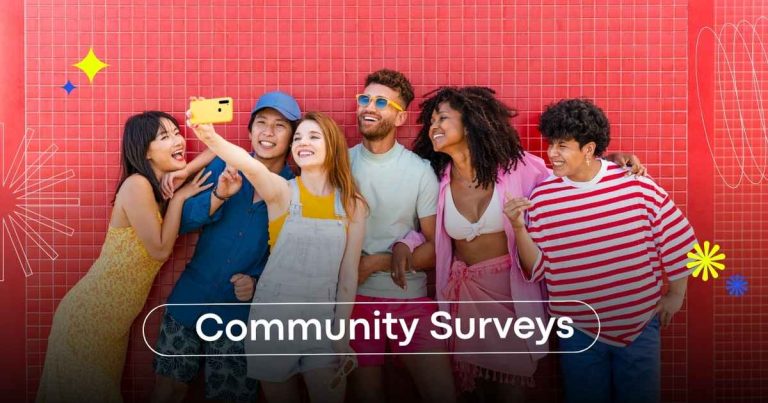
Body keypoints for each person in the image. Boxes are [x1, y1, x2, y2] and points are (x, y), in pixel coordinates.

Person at [411, 87, 646, 401]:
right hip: (464, 297)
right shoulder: (436, 175)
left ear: (470, 124)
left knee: (512, 392)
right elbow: (420, 225)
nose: (433, 126)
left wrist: (609, 163)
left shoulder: (518, 168)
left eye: (443, 118)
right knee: (474, 392)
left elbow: (569, 180)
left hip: (512, 296)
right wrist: (404, 243)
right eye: (432, 120)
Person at [507, 98, 696, 403]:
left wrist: (676, 294)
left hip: (638, 325)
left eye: (562, 145)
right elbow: (538, 268)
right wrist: (518, 227)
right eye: (550, 143)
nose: (551, 153)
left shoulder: (635, 185)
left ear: (589, 149)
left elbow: (677, 238)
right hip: (578, 331)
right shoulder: (542, 198)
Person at [189, 109, 367, 403]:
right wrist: (209, 136)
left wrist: (341, 334)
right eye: (298, 137)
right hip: (273, 321)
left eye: (313, 136)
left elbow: (348, 275)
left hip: (322, 322)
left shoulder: (352, 204)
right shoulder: (282, 192)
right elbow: (250, 165)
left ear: (332, 145)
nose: (302, 142)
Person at [36, 112, 211, 403]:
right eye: (164, 136)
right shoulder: (137, 185)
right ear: (145, 152)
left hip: (112, 326)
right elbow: (158, 249)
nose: (179, 140)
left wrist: (184, 171)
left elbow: (219, 150)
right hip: (90, 318)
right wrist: (180, 198)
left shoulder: (159, 189)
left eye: (177, 132)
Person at [150, 92, 301, 403]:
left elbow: (294, 260)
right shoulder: (223, 165)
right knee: (168, 391)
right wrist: (218, 195)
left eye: (279, 126)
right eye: (261, 123)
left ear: (292, 137)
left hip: (239, 317)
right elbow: (182, 223)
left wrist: (258, 282)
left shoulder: (295, 191)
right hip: (189, 300)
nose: (268, 133)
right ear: (249, 131)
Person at [347, 69, 456, 403]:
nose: (369, 106)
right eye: (365, 98)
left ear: (399, 116)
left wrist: (378, 262)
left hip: (410, 299)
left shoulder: (419, 170)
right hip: (354, 304)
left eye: (381, 101)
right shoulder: (340, 162)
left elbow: (436, 249)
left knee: (443, 394)